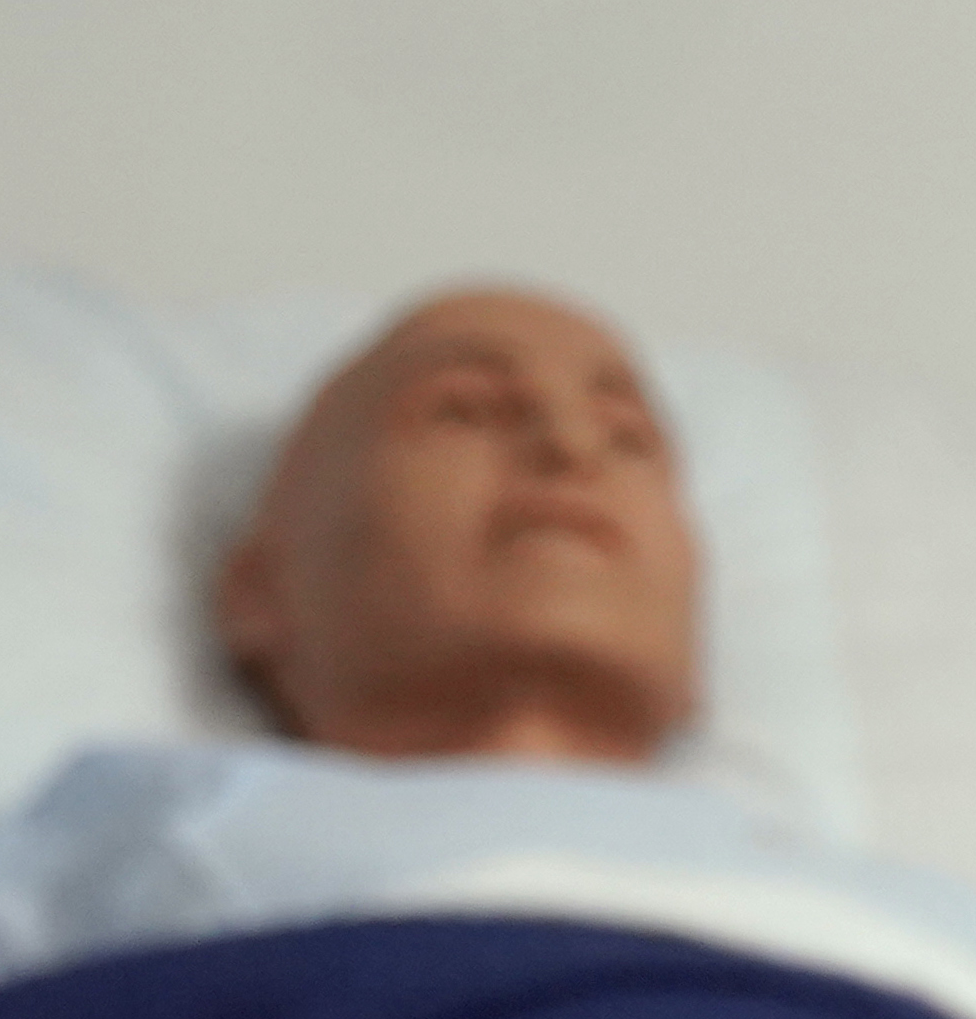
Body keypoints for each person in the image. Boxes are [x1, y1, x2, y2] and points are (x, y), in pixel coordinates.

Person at [214, 281, 704, 762]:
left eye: (628, 437)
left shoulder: (762, 835)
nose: (570, 444)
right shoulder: (171, 821)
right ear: (257, 590)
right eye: (465, 411)